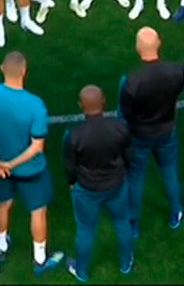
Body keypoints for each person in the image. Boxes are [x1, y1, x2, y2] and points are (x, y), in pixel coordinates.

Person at [0, 51, 63, 274]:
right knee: (38, 211)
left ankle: (2, 244)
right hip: (30, 170)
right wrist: (10, 165)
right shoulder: (35, 105)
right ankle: (40, 257)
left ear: (3, 68)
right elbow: (36, 146)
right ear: (24, 71)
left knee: (3, 203)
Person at [119, 27, 184, 237]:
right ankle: (176, 211)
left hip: (139, 135)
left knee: (136, 177)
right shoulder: (177, 71)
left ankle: (133, 223)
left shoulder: (131, 80)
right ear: (159, 43)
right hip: (166, 130)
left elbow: (125, 112)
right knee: (169, 171)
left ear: (138, 47)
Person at [64, 85, 134, 282]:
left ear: (80, 105)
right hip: (116, 185)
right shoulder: (120, 127)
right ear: (103, 101)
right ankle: (126, 262)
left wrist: (72, 183)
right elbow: (128, 155)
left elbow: (70, 166)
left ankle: (82, 270)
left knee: (86, 229)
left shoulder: (74, 135)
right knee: (122, 221)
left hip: (87, 189)